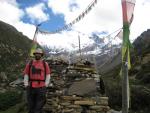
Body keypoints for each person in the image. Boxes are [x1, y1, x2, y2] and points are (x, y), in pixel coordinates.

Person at [23, 48, 51, 113]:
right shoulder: (30, 63)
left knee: (39, 105)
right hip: (31, 87)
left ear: (41, 55)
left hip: (41, 87)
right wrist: (26, 84)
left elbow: (48, 75)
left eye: (39, 54)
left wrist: (46, 85)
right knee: (31, 104)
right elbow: (26, 74)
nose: (38, 55)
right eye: (36, 54)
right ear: (34, 54)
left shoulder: (45, 64)